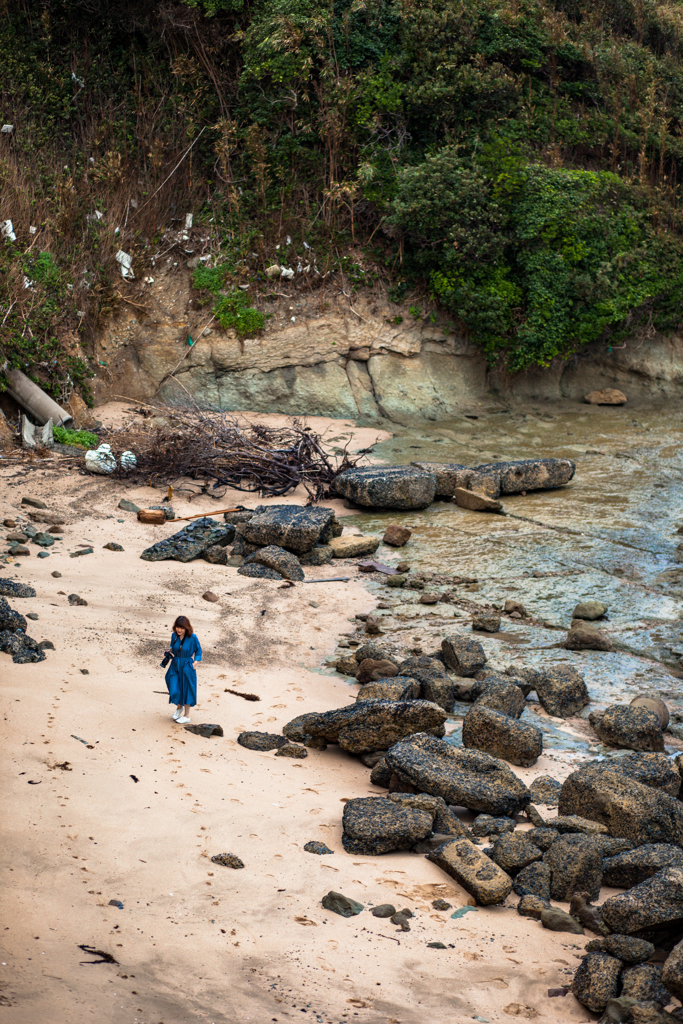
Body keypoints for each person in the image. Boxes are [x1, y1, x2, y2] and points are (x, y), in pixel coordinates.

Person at [164, 615, 202, 724]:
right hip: (175, 664)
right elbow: (173, 647)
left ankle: (187, 715)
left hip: (187, 665)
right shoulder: (174, 636)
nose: (179, 630)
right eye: (177, 627)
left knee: (187, 689)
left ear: (186, 628)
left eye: (182, 628)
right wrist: (168, 652)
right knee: (173, 684)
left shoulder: (193, 637)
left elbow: (198, 651)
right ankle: (179, 706)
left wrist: (195, 663)